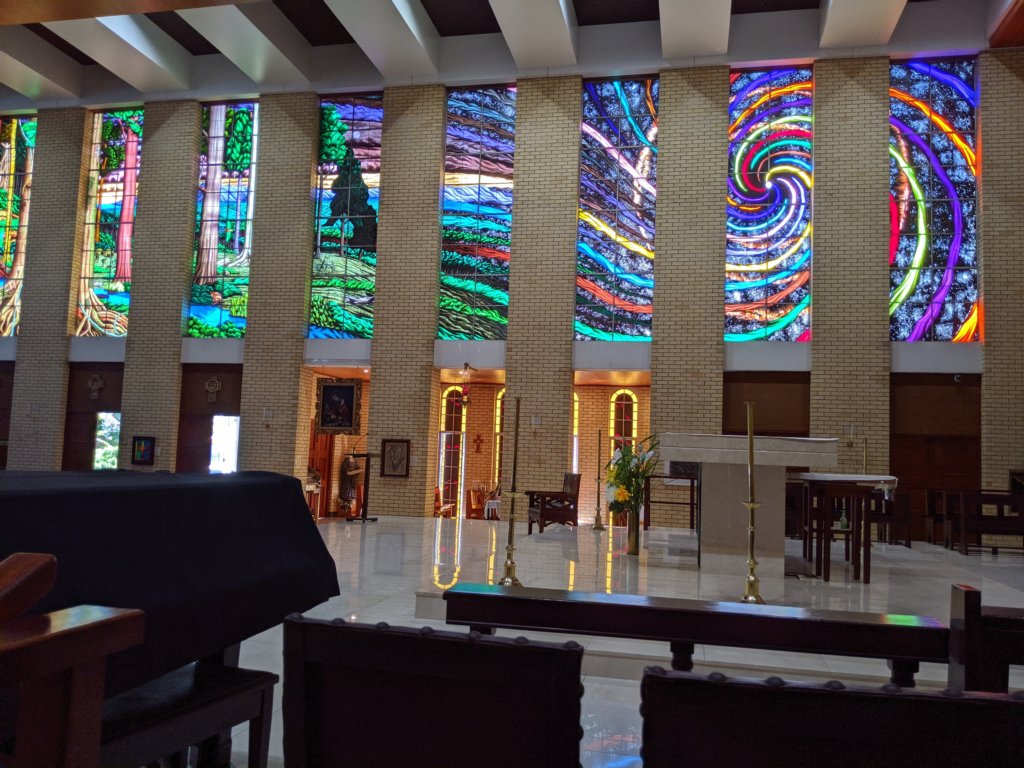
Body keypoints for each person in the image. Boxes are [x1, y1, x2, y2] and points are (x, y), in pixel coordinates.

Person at [339, 444, 362, 518]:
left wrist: (357, 471)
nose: (353, 453)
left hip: (353, 479)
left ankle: (351, 507)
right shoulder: (346, 460)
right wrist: (350, 472)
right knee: (346, 490)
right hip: (347, 479)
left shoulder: (355, 460)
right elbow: (345, 470)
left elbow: (358, 468)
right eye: (352, 452)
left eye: (354, 452)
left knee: (352, 491)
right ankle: (346, 507)